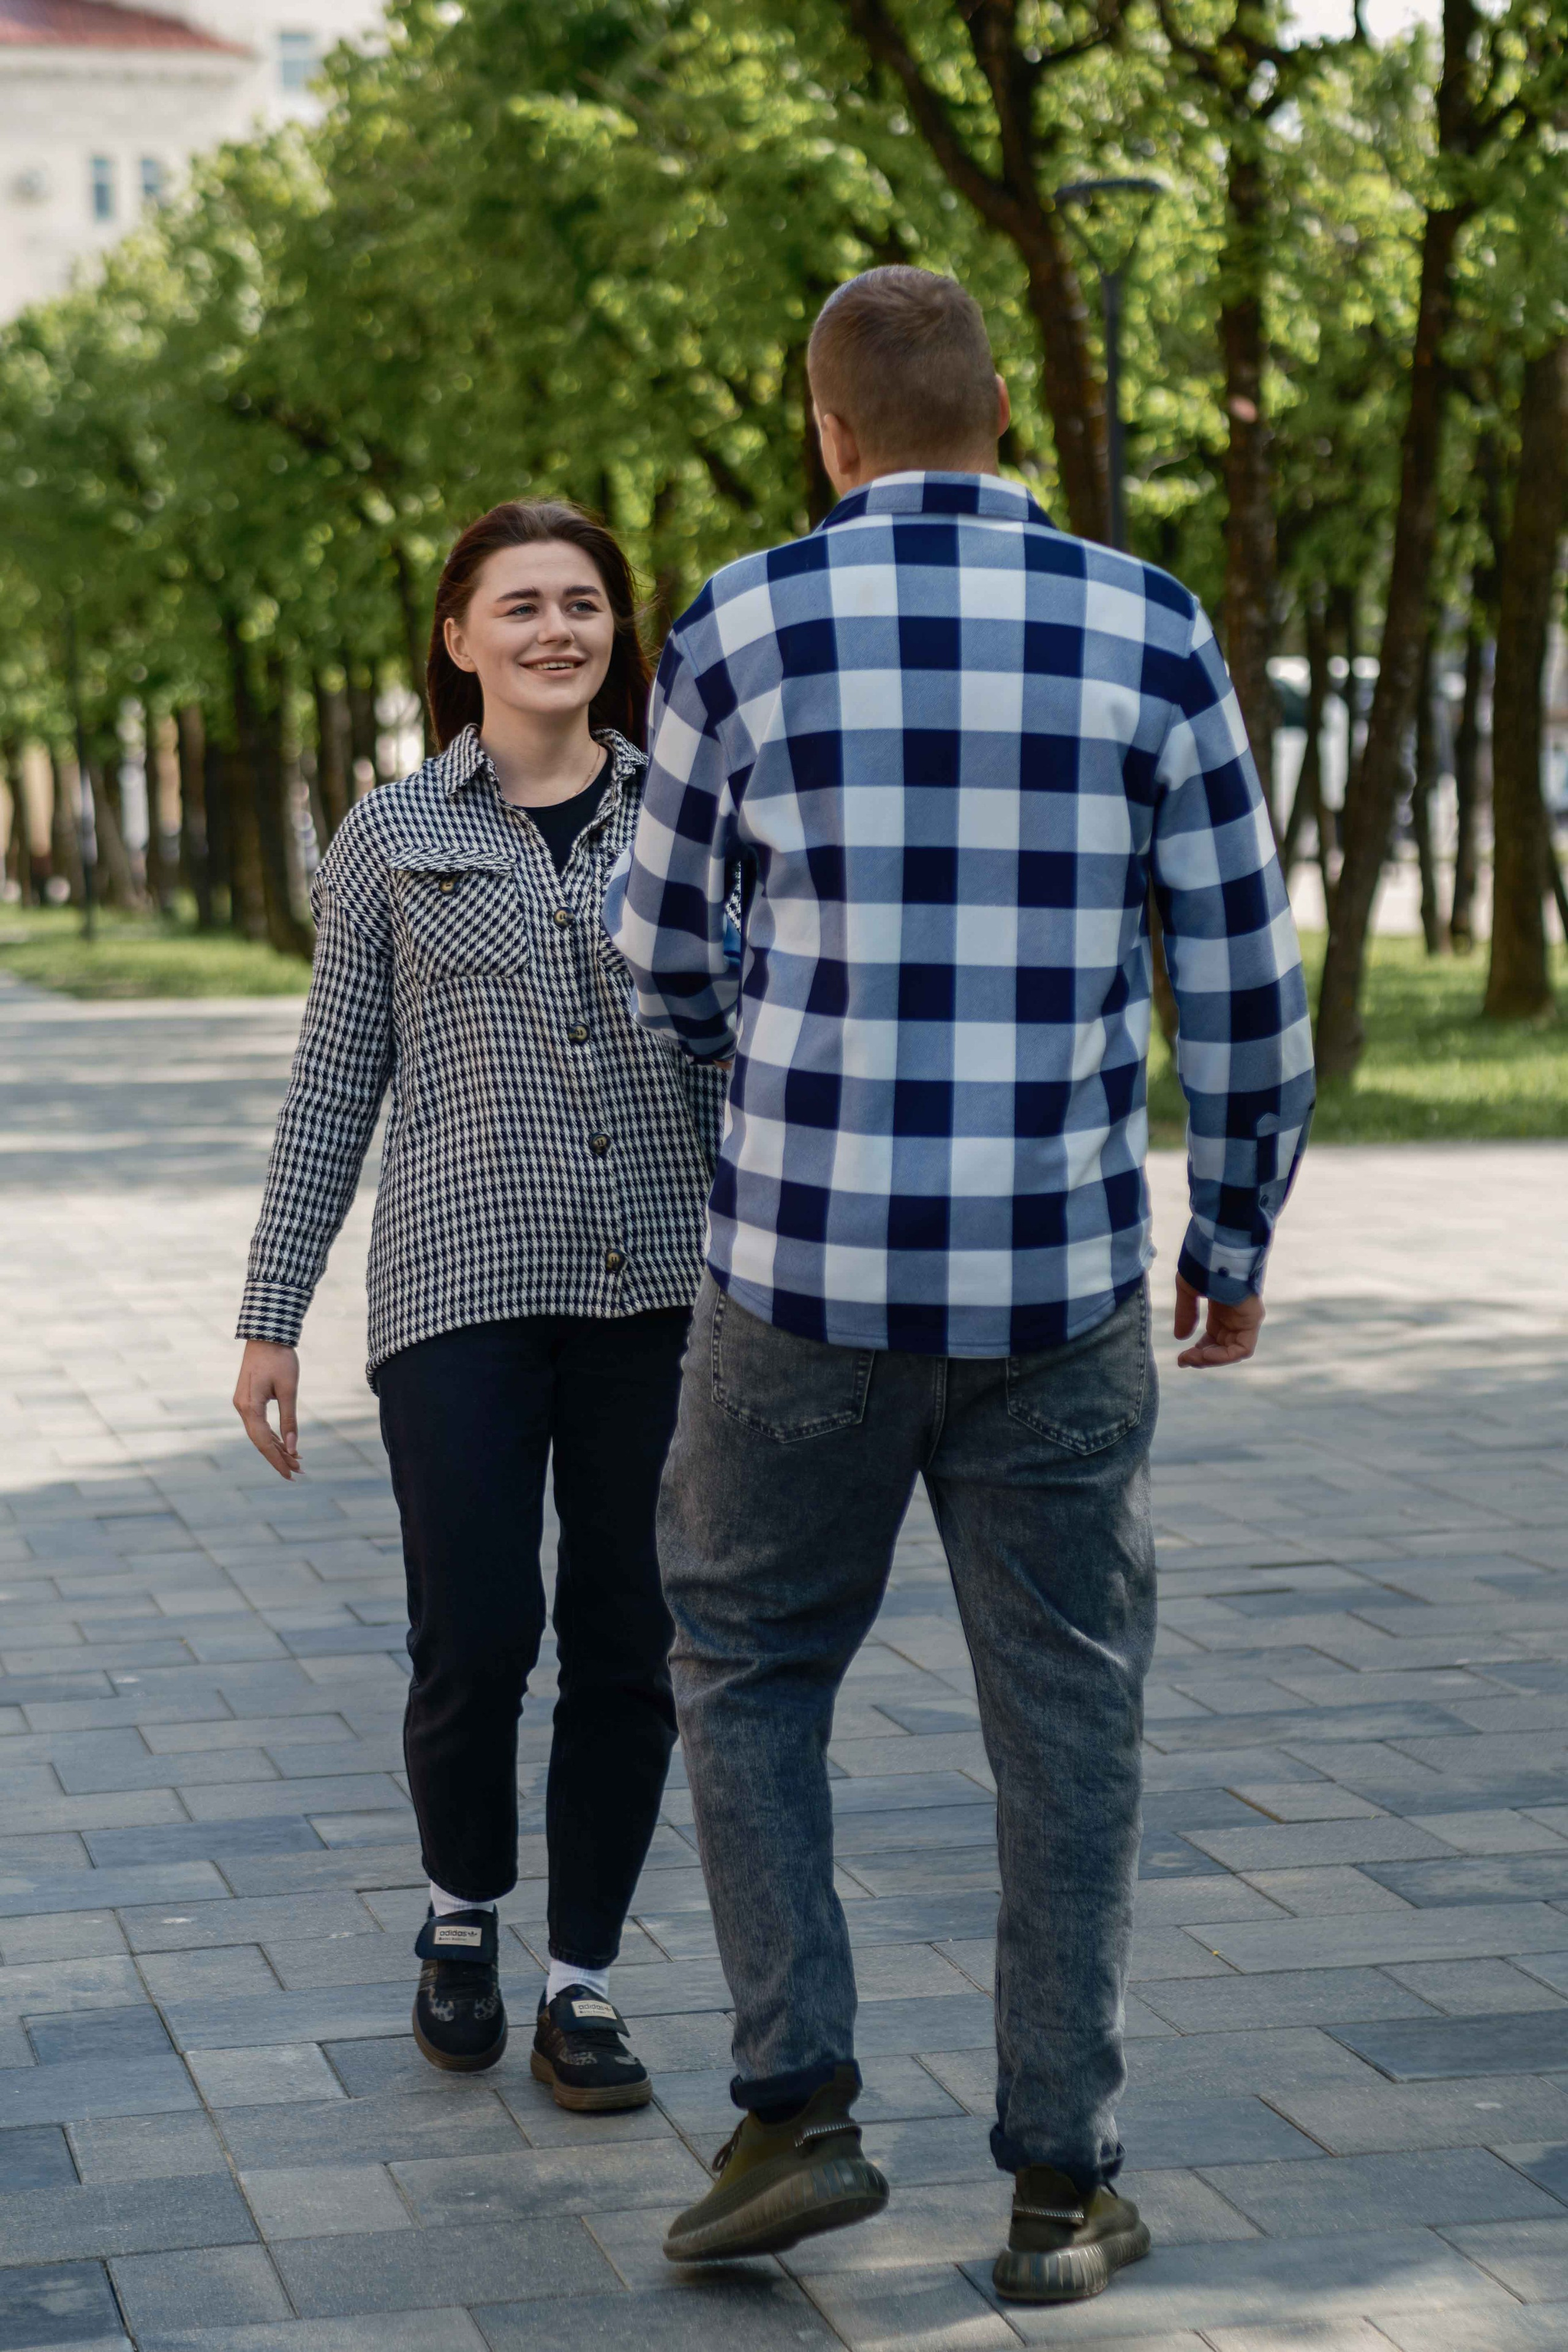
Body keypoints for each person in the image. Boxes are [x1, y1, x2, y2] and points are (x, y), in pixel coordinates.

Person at [609, 268, 1314, 2301]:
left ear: (825, 431)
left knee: (745, 1668)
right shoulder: (1154, 623)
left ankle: (797, 2108)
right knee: (1070, 1726)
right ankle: (1059, 2186)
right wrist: (1235, 1236)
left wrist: (792, 1060)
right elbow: (1244, 983)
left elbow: (658, 955)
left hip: (798, 1279)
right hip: (1059, 1283)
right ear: (1006, 411)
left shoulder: (734, 624)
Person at [233, 498, 726, 2110]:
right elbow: (334, 1085)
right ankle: (464, 1917)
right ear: (459, 639)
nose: (554, 630)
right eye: (519, 605)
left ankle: (580, 1978)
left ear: (614, 631)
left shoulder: (691, 816)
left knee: (627, 1642)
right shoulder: (389, 833)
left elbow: (744, 1055)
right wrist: (271, 1310)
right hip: (456, 1285)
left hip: (658, 1286)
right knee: (479, 1635)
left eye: (581, 602)